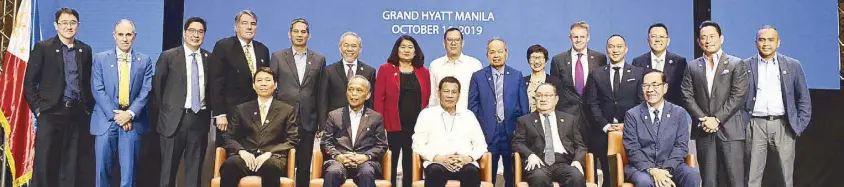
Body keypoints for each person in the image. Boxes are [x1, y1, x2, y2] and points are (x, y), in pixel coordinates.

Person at [24, 7, 95, 187]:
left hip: (77, 114)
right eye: (64, 23)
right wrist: (39, 110)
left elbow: (87, 82)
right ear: (56, 25)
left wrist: (88, 109)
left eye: (72, 23)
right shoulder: (43, 48)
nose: (68, 27)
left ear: (78, 25)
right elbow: (29, 83)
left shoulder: (85, 50)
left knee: (71, 164)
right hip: (50, 112)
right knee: (46, 162)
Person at [681, 20, 748, 187]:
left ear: (721, 38)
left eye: (712, 36)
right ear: (698, 41)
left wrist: (716, 119)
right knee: (709, 180)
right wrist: (704, 119)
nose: (708, 40)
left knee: (735, 179)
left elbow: (738, 95)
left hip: (730, 130)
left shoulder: (735, 64)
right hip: (704, 130)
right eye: (704, 37)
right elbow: (686, 95)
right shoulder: (692, 66)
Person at [743, 25, 811, 187]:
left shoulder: (792, 65)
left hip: (783, 125)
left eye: (770, 40)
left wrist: (798, 126)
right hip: (754, 125)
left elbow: (804, 99)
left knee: (785, 176)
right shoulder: (745, 66)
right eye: (762, 40)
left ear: (778, 43)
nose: (766, 43)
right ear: (756, 43)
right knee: (752, 177)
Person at [90, 19, 152, 187]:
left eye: (128, 34)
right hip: (106, 121)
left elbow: (146, 91)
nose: (125, 39)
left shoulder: (144, 60)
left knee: (129, 174)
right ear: (114, 36)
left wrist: (129, 114)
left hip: (132, 122)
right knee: (102, 172)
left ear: (134, 36)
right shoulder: (100, 59)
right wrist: (116, 116)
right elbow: (97, 89)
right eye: (121, 34)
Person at [267, 18, 327, 187]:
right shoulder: (278, 57)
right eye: (296, 31)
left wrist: (321, 124)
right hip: (282, 120)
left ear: (309, 35)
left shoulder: (319, 59)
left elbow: (321, 94)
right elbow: (271, 88)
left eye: (303, 32)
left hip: (308, 120)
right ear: (289, 34)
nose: (299, 35)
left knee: (303, 166)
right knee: (279, 164)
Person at [153, 17, 213, 187]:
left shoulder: (209, 57)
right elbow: (158, 88)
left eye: (200, 32)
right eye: (192, 31)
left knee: (194, 173)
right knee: (168, 173)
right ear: (184, 33)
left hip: (199, 120)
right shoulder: (169, 56)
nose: (196, 35)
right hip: (173, 122)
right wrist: (167, 112)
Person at [220, 67, 299, 187]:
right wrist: (242, 152)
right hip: (246, 157)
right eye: (259, 80)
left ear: (275, 84)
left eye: (267, 80)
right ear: (253, 85)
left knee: (270, 166)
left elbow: (293, 139)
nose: (263, 84)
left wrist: (269, 153)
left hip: (272, 158)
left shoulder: (286, 110)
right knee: (230, 164)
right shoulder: (242, 109)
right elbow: (229, 137)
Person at [583, 34, 645, 186]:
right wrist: (606, 126)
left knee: (631, 174)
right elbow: (592, 104)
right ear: (607, 50)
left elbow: (642, 103)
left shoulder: (638, 73)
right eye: (611, 47)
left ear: (626, 49)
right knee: (608, 175)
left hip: (632, 132)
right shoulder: (596, 74)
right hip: (603, 133)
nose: (615, 50)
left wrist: (627, 125)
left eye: (619, 47)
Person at [468, 37, 529, 187]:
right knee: (488, 174)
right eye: (492, 52)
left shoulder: (516, 76)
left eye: (500, 51)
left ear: (506, 54)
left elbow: (524, 108)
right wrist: (478, 130)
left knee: (512, 173)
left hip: (511, 132)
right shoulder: (478, 76)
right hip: (488, 133)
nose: (496, 55)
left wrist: (521, 133)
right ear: (487, 55)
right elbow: (473, 107)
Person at [623, 71, 701, 187]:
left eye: (655, 85)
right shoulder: (632, 114)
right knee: (644, 181)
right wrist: (653, 170)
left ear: (665, 87)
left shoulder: (678, 113)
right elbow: (632, 149)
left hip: (671, 166)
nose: (650, 90)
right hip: (642, 168)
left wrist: (664, 170)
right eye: (646, 86)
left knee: (692, 174)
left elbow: (681, 146)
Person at [373, 35, 431, 187]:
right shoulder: (385, 69)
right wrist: (379, 126)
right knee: (390, 163)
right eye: (403, 46)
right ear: (397, 50)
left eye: (410, 47)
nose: (407, 50)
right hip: (392, 125)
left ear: (415, 51)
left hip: (416, 127)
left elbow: (426, 98)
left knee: (410, 163)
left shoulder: (423, 72)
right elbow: (379, 99)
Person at [209, 10, 271, 146]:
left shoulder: (263, 50)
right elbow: (216, 82)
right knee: (229, 157)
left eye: (253, 24)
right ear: (236, 27)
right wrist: (220, 113)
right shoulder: (223, 47)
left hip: (256, 115)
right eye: (245, 23)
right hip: (230, 115)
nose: (249, 27)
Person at [413, 77, 488, 187]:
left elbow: (481, 145)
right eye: (446, 91)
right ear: (439, 93)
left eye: (454, 92)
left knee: (471, 172)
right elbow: (418, 144)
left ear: (459, 95)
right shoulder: (426, 115)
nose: (450, 95)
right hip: (437, 162)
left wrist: (467, 158)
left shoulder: (468, 115)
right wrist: (438, 158)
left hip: (464, 163)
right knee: (435, 171)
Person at [512, 83, 587, 187]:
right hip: (538, 162)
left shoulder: (569, 119)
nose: (543, 99)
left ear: (556, 99)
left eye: (547, 95)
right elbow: (517, 143)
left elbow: (580, 146)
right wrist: (530, 155)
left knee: (576, 177)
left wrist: (577, 160)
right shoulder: (524, 120)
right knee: (539, 177)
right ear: (535, 99)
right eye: (539, 95)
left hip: (563, 162)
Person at [320, 75, 388, 187]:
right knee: (333, 172)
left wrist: (365, 156)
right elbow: (325, 142)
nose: (354, 94)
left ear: (368, 95)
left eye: (359, 90)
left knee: (366, 173)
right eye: (350, 89)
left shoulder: (376, 118)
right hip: (339, 160)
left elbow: (381, 145)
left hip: (365, 162)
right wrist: (338, 156)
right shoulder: (334, 115)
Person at [549, 21, 609, 117]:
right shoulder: (558, 60)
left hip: (592, 115)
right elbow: (554, 89)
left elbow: (602, 87)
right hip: (566, 115)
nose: (578, 40)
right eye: (575, 37)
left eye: (582, 37)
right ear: (570, 38)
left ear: (588, 38)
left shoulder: (600, 58)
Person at [318, 32, 377, 125]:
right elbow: (322, 101)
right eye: (346, 45)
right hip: (335, 125)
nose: (349, 49)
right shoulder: (328, 71)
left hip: (361, 125)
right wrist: (322, 126)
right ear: (340, 48)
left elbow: (371, 102)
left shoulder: (369, 72)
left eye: (354, 46)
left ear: (360, 49)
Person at [631, 23, 688, 105]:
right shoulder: (638, 62)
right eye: (653, 36)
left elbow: (683, 91)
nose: (657, 40)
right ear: (648, 41)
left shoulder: (679, 62)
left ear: (668, 41)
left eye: (661, 36)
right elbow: (636, 92)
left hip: (672, 111)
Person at [428, 28, 483, 110]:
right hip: (441, 119)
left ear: (462, 43)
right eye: (449, 40)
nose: (453, 43)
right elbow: (433, 97)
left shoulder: (475, 65)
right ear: (444, 43)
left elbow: (480, 97)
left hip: (467, 118)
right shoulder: (435, 65)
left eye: (457, 40)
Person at [524, 44, 565, 112]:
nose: (536, 62)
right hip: (526, 121)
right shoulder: (522, 81)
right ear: (528, 60)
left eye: (540, 58)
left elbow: (560, 107)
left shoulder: (555, 82)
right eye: (533, 58)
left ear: (545, 61)